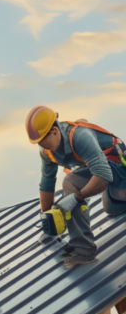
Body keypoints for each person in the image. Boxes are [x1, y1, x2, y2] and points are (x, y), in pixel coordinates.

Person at [26, 105, 126, 268]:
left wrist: (75, 198)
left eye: (44, 139)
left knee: (70, 183)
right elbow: (47, 183)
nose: (42, 145)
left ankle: (84, 249)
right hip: (107, 176)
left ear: (55, 130)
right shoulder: (47, 152)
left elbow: (103, 175)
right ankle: (83, 249)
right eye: (38, 142)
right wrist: (47, 217)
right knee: (111, 208)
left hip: (119, 171)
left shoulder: (79, 136)